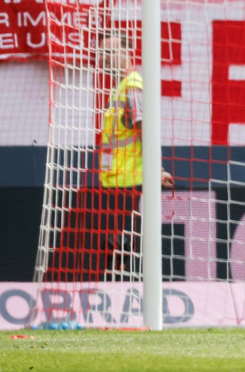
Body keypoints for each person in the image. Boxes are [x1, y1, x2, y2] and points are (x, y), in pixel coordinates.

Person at [44, 31, 173, 282]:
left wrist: (156, 170)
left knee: (111, 250)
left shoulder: (132, 87)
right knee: (108, 251)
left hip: (130, 183)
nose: (104, 58)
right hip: (115, 183)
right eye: (102, 52)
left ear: (127, 54)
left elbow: (145, 129)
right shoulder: (119, 89)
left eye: (111, 52)